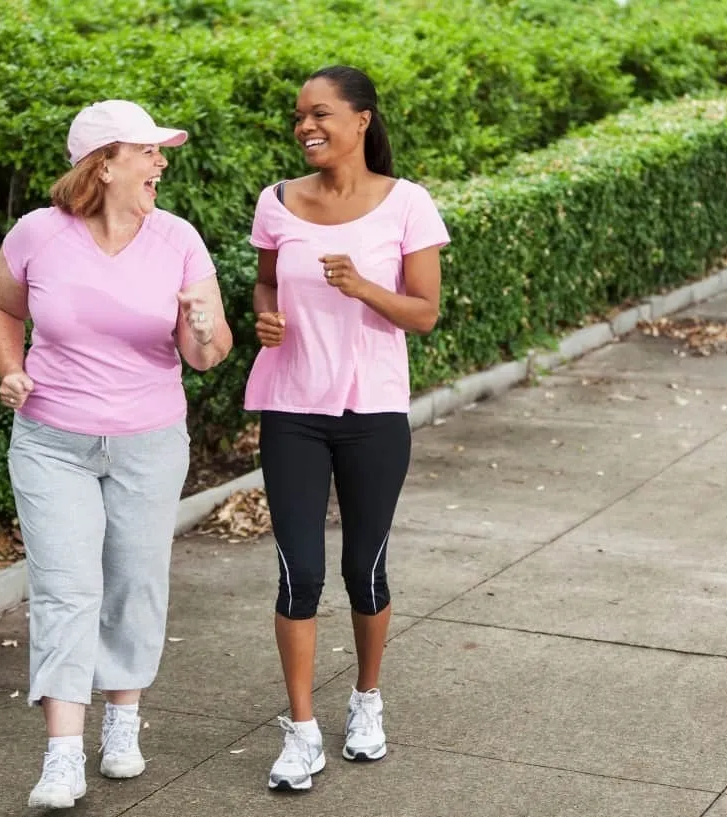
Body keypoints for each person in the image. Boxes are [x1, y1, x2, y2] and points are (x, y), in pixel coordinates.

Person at [0, 99, 233, 809]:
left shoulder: (178, 240)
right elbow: (1, 307)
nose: (161, 161)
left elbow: (208, 357)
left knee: (134, 581)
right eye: (147, 151)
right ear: (105, 163)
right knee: (66, 587)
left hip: (148, 440)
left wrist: (203, 327)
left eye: (160, 151)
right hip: (52, 439)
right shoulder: (37, 233)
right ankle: (62, 754)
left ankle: (122, 720)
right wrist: (9, 368)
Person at [244, 65, 450, 792]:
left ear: (362, 120)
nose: (306, 126)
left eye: (322, 114)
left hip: (373, 412)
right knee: (298, 573)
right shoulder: (277, 203)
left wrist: (363, 285)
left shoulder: (407, 205)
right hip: (292, 407)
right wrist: (265, 316)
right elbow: (267, 279)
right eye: (300, 115)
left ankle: (366, 700)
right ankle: (301, 730)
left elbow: (424, 314)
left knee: (364, 567)